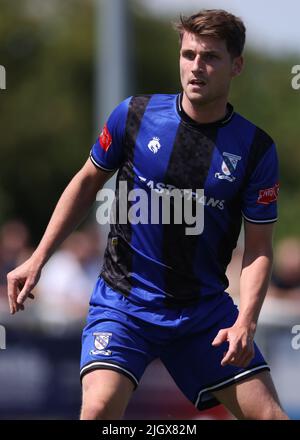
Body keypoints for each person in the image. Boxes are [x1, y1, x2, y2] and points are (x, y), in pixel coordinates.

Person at [7, 9, 288, 420]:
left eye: (210, 57)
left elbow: (259, 248)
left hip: (203, 314)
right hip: (124, 304)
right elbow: (86, 183)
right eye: (189, 54)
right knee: (100, 408)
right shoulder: (134, 115)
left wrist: (246, 320)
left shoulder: (255, 149)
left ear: (236, 65)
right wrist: (38, 258)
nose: (196, 67)